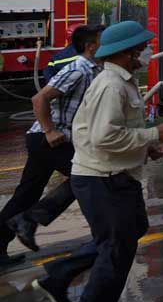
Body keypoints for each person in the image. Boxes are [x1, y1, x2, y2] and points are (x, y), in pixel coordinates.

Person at [31, 21, 163, 302]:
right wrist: (154, 133)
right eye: (140, 50)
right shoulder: (111, 85)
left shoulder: (122, 81)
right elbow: (103, 136)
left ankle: (59, 275)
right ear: (125, 53)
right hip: (102, 178)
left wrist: (147, 146)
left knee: (132, 230)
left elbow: (122, 127)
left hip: (115, 173)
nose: (146, 54)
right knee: (116, 244)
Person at [1, 24, 104, 267]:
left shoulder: (95, 70)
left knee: (26, 195)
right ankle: (32, 218)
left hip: (50, 140)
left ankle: (16, 228)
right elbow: (39, 98)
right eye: (103, 40)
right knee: (88, 174)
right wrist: (50, 131)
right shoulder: (78, 69)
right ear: (91, 47)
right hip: (48, 140)